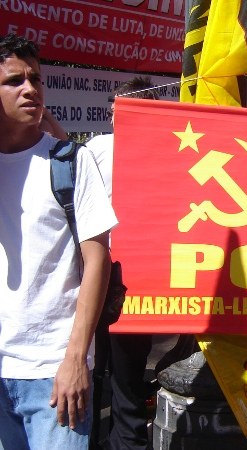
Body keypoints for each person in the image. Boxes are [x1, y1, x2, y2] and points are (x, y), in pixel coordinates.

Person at [0, 33, 117, 448]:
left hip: (53, 373)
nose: (30, 88)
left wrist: (75, 360)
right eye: (14, 81)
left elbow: (97, 261)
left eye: (35, 78)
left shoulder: (69, 161)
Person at [85, 77, 197, 450]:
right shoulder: (97, 149)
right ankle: (111, 434)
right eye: (118, 109)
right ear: (111, 113)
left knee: (129, 362)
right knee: (101, 359)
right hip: (106, 268)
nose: (123, 116)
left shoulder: (166, 150)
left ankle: (127, 437)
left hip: (147, 271)